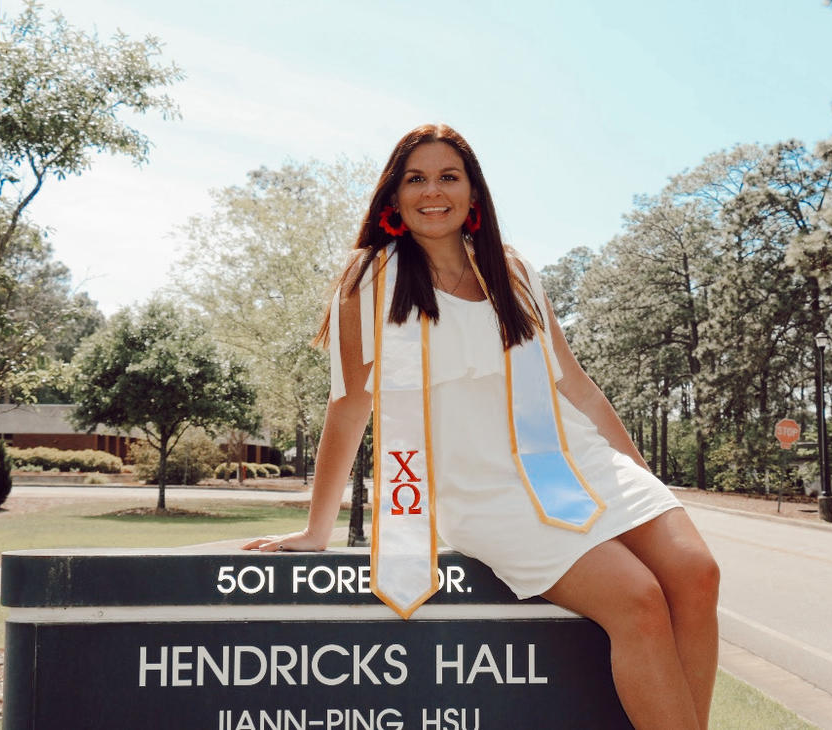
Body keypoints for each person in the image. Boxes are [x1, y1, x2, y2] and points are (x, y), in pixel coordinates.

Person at [242, 123, 720, 730]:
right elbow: (350, 404)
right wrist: (318, 528)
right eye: (415, 178)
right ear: (394, 196)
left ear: (474, 193)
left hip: (572, 464)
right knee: (639, 601)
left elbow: (573, 383)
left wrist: (640, 478)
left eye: (449, 176)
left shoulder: (513, 271)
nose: (432, 191)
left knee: (697, 574)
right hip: (484, 491)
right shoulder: (370, 281)